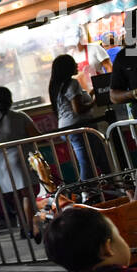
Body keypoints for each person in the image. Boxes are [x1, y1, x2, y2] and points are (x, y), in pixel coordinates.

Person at [0, 86, 41, 236]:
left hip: (2, 164)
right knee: (27, 194)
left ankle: (23, 226)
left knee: (16, 197)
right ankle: (29, 227)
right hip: (23, 159)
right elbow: (36, 135)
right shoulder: (20, 116)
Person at [49, 53, 109, 182]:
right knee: (86, 162)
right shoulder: (72, 83)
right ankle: (86, 192)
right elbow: (79, 110)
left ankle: (112, 184)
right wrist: (94, 100)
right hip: (78, 127)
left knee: (98, 156)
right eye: (73, 63)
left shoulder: (58, 86)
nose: (76, 65)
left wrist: (91, 93)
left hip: (69, 127)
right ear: (67, 67)